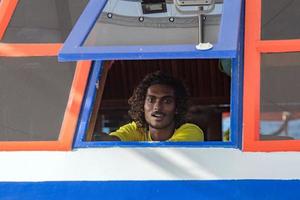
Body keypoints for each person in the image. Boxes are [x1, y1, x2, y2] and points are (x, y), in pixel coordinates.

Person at [97, 71, 204, 141]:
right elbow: (111, 142)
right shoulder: (136, 130)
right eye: (151, 100)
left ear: (177, 107)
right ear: (142, 104)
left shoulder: (191, 131)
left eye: (166, 101)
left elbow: (171, 153)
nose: (157, 107)